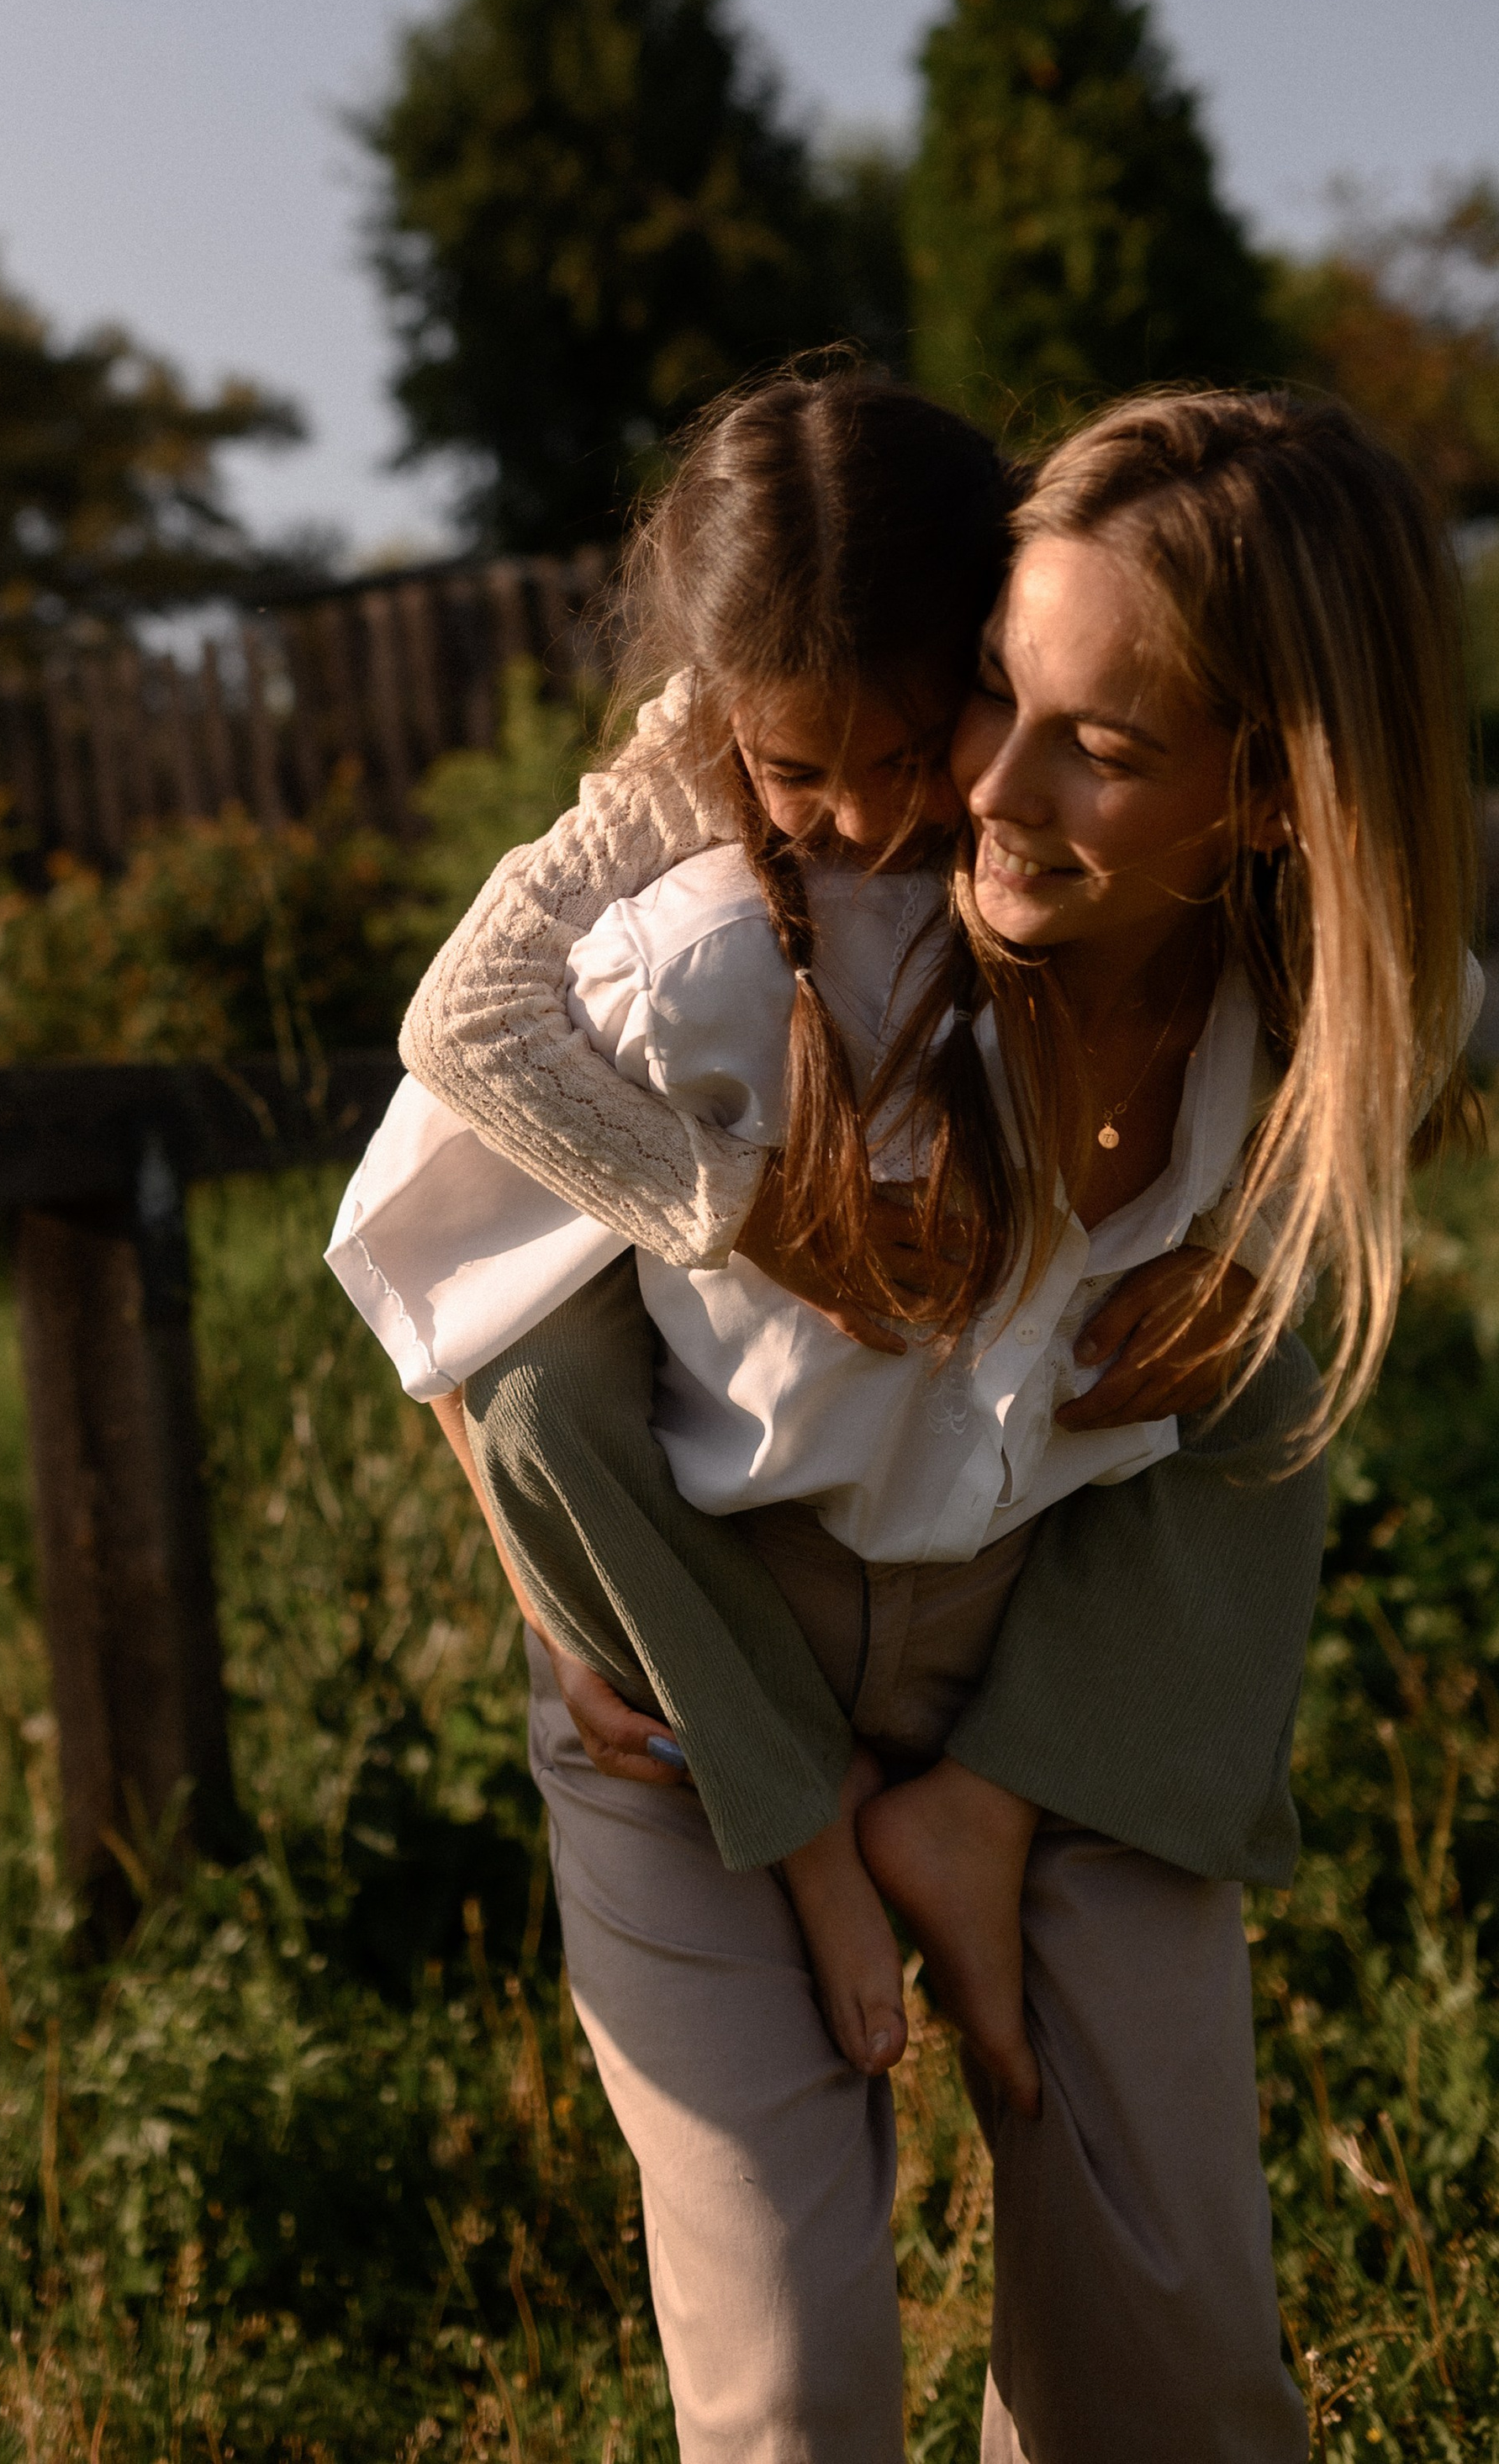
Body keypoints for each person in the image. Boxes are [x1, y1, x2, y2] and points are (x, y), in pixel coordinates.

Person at [341, 373, 1478, 2462]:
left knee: (1186, 2367)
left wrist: (1013, 1774)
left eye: (1098, 744)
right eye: (987, 689)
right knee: (790, 2397)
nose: (965, 793)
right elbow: (461, 1312)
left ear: (1272, 801)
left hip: (1044, 1654)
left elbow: (1378, 1096)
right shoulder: (724, 953)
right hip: (695, 1667)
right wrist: (680, 1696)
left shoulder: (1326, 1011)